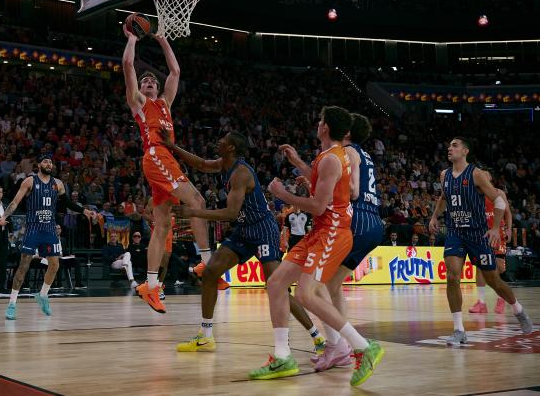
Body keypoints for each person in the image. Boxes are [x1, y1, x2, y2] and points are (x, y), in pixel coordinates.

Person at [250, 106, 383, 387]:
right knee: (275, 283)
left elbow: (319, 205)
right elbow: (325, 186)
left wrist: (282, 194)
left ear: (324, 128)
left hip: (334, 231)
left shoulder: (335, 159)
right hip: (322, 230)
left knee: (308, 294)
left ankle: (362, 346)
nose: (318, 123)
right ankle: (283, 356)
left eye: (320, 120)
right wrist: (299, 162)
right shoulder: (331, 156)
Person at [163, 130, 325, 356]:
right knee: (210, 273)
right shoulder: (223, 163)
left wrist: (193, 212)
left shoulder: (240, 173)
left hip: (262, 229)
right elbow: (201, 164)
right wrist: (172, 146)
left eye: (223, 141)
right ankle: (206, 337)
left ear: (231, 148)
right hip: (244, 229)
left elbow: (230, 213)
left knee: (275, 287)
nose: (218, 141)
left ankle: (318, 338)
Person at [122, 24, 211, 314]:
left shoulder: (165, 105)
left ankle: (150, 285)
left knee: (162, 226)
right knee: (197, 201)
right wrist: (133, 39)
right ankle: (207, 264)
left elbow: (175, 72)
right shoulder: (139, 103)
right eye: (144, 80)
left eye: (151, 81)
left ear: (157, 88)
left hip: (165, 161)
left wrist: (162, 39)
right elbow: (127, 65)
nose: (147, 82)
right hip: (156, 157)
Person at [429, 137, 532, 346]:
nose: (449, 148)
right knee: (452, 276)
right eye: (448, 145)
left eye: (455, 145)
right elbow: (444, 197)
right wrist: (434, 216)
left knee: (494, 281)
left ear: (465, 151)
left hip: (478, 235)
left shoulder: (476, 174)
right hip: (455, 232)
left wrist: (495, 228)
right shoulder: (444, 175)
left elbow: (499, 200)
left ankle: (518, 309)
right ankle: (459, 330)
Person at [313, 113, 385, 371]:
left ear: (346, 133)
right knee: (333, 284)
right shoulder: (362, 153)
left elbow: (353, 191)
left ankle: (342, 345)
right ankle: (342, 344)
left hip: (358, 220)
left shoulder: (348, 152)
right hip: (373, 221)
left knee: (314, 282)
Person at [0, 155, 95, 320]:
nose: (49, 164)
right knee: (23, 266)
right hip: (33, 229)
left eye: (51, 162)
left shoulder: (58, 184)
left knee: (55, 265)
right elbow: (15, 202)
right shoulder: (30, 181)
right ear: (39, 164)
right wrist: (4, 216)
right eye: (45, 161)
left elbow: (67, 203)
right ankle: (12, 304)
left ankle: (42, 295)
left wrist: (84, 211)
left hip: (49, 229)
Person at [469, 171, 513, 314]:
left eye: (485, 174)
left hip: (498, 232)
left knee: (499, 267)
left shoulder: (499, 193)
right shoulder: (473, 193)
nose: (481, 175)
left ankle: (501, 298)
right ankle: (481, 303)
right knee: (480, 267)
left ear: (490, 178)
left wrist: (509, 229)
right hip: (481, 233)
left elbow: (508, 213)